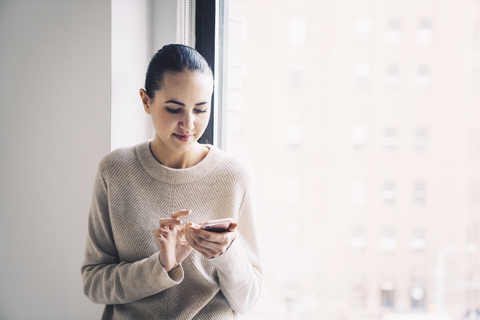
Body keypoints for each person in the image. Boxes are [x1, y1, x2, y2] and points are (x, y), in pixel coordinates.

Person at [81, 44, 263, 319]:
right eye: (174, 109)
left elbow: (247, 299)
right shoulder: (115, 170)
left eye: (200, 110)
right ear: (146, 101)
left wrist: (226, 253)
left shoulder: (234, 175)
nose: (188, 124)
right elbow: (94, 284)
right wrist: (162, 266)